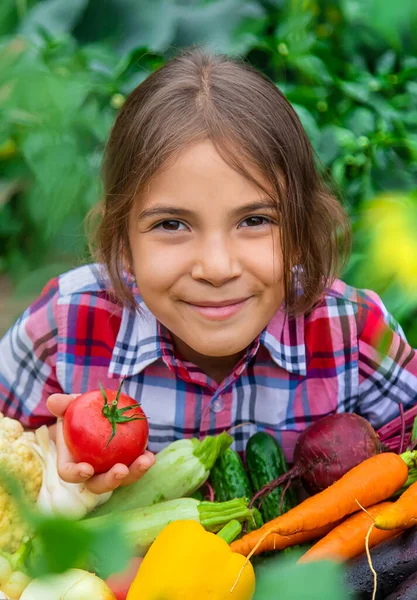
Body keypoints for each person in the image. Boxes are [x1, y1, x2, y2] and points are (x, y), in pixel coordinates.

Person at [1, 48, 416, 497]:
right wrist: (45, 455)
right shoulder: (63, 330)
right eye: (172, 224)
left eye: (255, 220)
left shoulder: (354, 335)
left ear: (300, 230)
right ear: (122, 240)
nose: (217, 269)